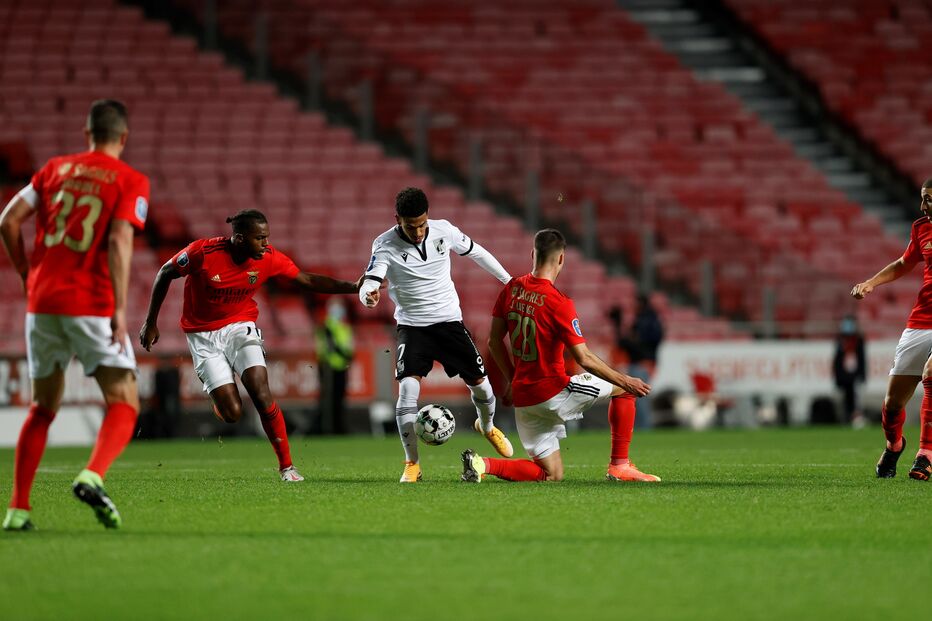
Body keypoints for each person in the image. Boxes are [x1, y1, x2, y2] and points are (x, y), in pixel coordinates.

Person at [1, 100, 148, 530]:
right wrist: (120, 309)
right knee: (124, 401)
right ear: (123, 138)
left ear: (87, 134)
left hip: (41, 303)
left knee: (42, 407)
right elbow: (120, 241)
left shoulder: (53, 169)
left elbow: (8, 222)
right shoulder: (130, 179)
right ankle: (92, 474)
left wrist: (27, 273)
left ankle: (17, 509)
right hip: (91, 302)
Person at [139, 209, 360, 481]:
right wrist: (150, 322)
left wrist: (354, 287)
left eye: (267, 237)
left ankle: (287, 467)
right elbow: (165, 272)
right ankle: (220, 398)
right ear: (240, 239)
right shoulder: (203, 253)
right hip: (203, 336)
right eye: (260, 238)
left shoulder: (268, 258)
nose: (266, 244)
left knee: (260, 390)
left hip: (240, 327)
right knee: (232, 413)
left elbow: (307, 280)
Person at [461, 228, 659, 483]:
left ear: (533, 254)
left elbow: (494, 342)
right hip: (553, 392)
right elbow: (584, 358)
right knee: (625, 390)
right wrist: (625, 379)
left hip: (525, 398)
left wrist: (513, 379)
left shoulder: (511, 289)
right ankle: (619, 466)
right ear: (562, 259)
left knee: (550, 474)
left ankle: (481, 464)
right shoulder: (559, 302)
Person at [359, 187, 514, 482]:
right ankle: (412, 464)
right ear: (397, 220)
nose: (418, 232)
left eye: (422, 224)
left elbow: (477, 252)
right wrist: (368, 294)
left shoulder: (444, 230)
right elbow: (371, 278)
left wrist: (507, 280)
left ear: (428, 217)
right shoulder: (384, 244)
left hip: (449, 323)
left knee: (482, 386)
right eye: (410, 226)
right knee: (407, 391)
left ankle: (488, 426)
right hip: (412, 328)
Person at [853, 178, 932, 480]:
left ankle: (925, 455)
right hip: (921, 320)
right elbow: (903, 263)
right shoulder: (921, 227)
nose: (924, 206)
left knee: (931, 375)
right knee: (893, 404)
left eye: (930, 200)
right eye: (923, 198)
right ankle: (894, 444)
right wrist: (871, 283)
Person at [316, 298, 354, 434]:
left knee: (340, 398)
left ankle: (338, 427)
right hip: (329, 366)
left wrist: (348, 357)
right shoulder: (327, 326)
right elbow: (330, 346)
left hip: (341, 366)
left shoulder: (344, 327)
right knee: (329, 399)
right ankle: (327, 428)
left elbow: (348, 346)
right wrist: (345, 355)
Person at [832, 314, 867, 427]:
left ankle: (855, 418)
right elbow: (837, 360)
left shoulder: (858, 340)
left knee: (856, 398)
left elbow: (862, 359)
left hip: (854, 374)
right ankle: (846, 418)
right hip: (843, 375)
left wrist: (862, 374)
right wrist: (837, 376)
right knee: (845, 398)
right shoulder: (840, 340)